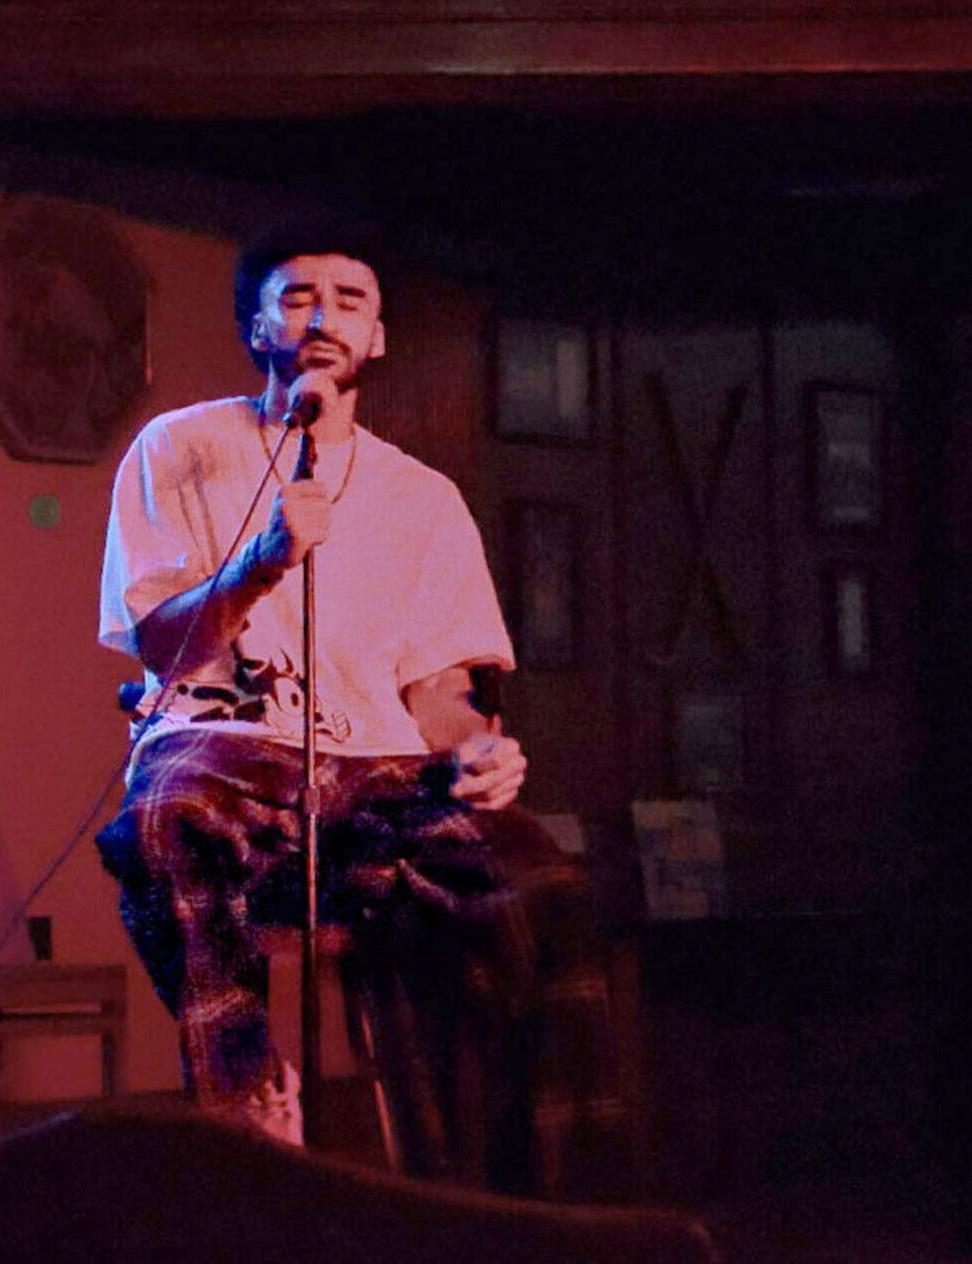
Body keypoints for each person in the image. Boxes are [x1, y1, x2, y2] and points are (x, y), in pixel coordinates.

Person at [94, 226, 618, 1193]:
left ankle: (543, 1199)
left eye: (350, 299)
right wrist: (261, 563)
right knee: (164, 821)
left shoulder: (424, 497)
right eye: (298, 297)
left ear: (377, 337)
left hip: (380, 768)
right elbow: (165, 645)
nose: (324, 316)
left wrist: (482, 751)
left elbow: (442, 694)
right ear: (256, 324)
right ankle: (248, 1095)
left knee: (547, 887)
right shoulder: (177, 449)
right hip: (226, 739)